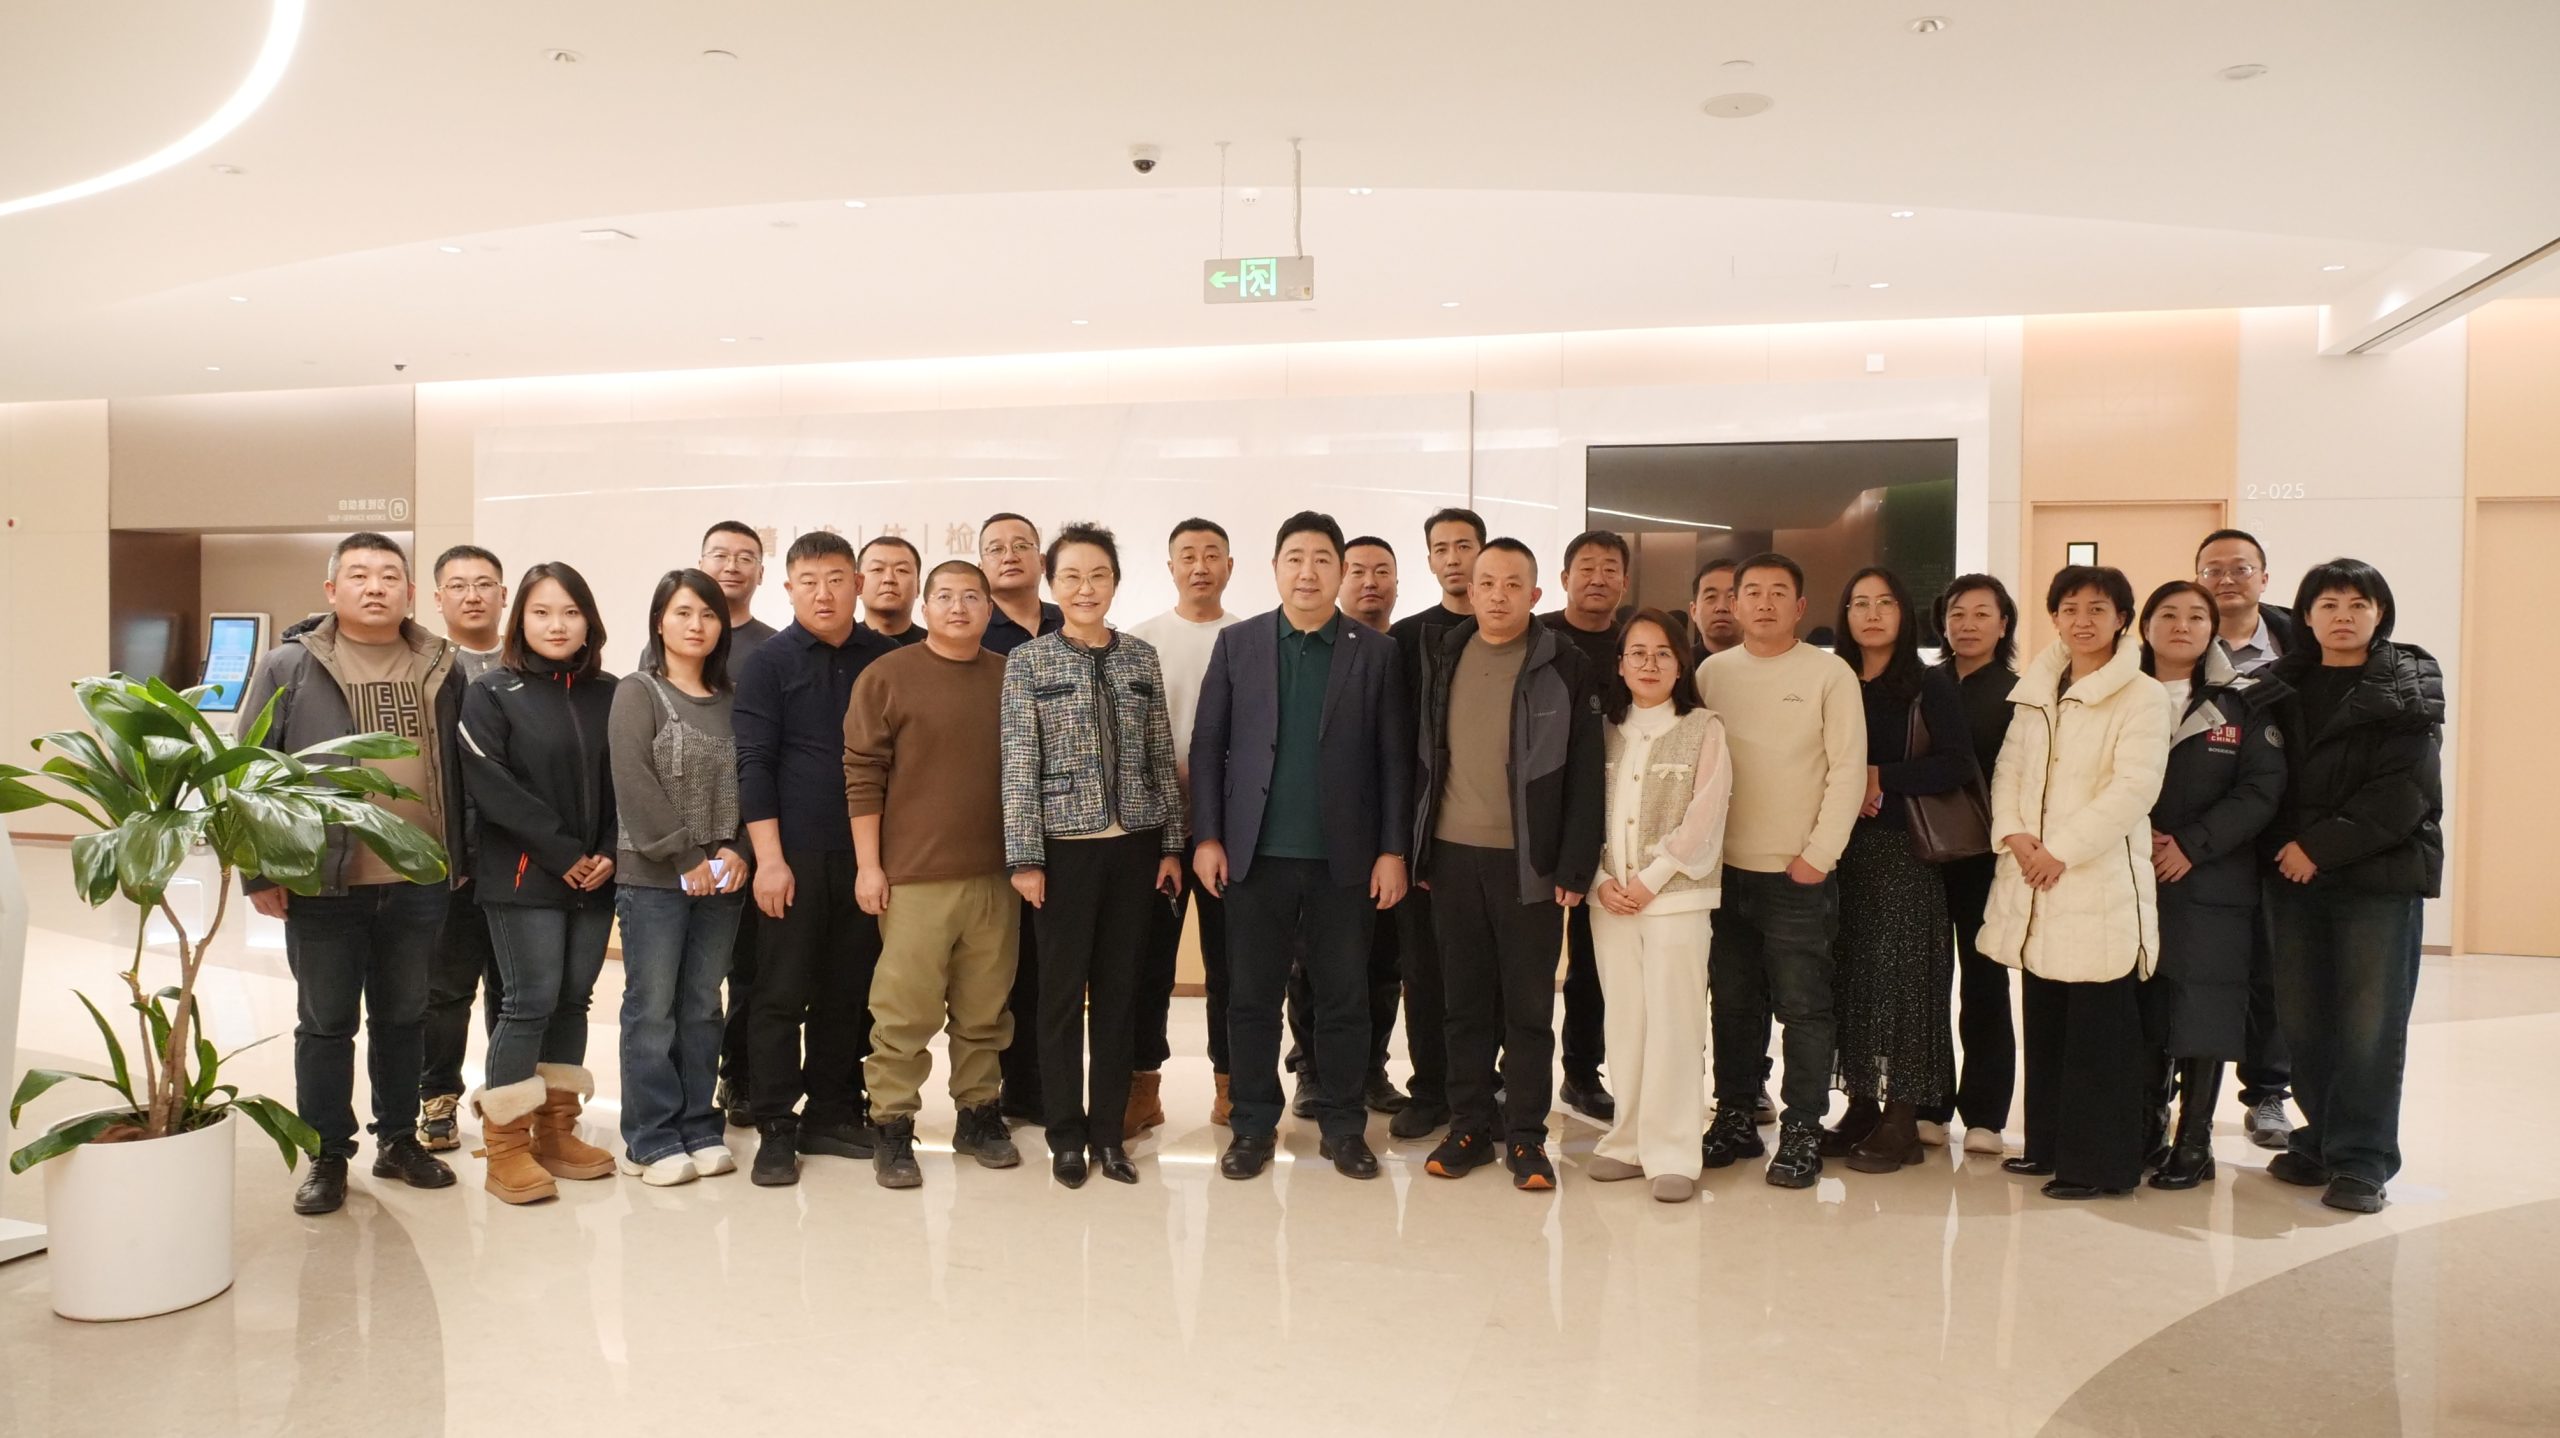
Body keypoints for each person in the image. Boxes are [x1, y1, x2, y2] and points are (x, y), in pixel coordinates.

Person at [236, 532, 468, 1216]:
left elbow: (461, 769)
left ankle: (398, 1140)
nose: (375, 587)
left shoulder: (440, 664)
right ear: (331, 590)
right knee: (326, 1024)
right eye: (360, 574)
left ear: (410, 592)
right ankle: (328, 1155)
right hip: (322, 880)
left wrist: (459, 858)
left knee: (404, 1017)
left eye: (389, 575)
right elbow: (251, 770)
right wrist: (259, 872)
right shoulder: (290, 666)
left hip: (419, 879)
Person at [1194, 512, 1412, 1182]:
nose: (1308, 572)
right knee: (1252, 999)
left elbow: (1395, 759)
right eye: (1295, 558)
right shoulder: (1238, 644)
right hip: (1254, 857)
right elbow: (1208, 747)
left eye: (1322, 559)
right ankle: (1252, 1125)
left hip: (1344, 861)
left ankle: (1344, 1127)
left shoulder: (1375, 653)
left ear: (1340, 571)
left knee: (1344, 998)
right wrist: (1207, 836)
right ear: (1275, 568)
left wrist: (1392, 850)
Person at [1412, 538, 1604, 1192]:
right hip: (1451, 858)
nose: (1498, 595)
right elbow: (1424, 756)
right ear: (1470, 590)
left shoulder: (1564, 664)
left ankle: (1526, 1136)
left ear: (1536, 595)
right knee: (1463, 1004)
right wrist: (1419, 849)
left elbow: (1586, 774)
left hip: (1531, 866)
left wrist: (1574, 865)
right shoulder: (1445, 654)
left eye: (1512, 584)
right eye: (1487, 583)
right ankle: (1468, 1125)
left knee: (1527, 1010)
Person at [999, 523, 1186, 1187]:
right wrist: (1025, 857)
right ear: (1054, 585)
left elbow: (1160, 755)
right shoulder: (1029, 662)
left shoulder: (1140, 658)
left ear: (1115, 582)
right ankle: (1065, 1136)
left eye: (1098, 575)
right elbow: (1018, 763)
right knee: (1057, 998)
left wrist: (1171, 845)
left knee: (1119, 994)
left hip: (1135, 848)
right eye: (1072, 576)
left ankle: (1109, 1134)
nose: (1085, 588)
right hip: (1062, 852)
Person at [1983, 565, 2171, 1201]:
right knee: (2047, 1021)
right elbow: (2008, 769)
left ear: (2122, 619)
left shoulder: (2142, 694)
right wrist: (2015, 835)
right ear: (2054, 618)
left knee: (2099, 1032)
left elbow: (2134, 789)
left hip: (2095, 882)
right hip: (2035, 877)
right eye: (2069, 608)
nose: (2082, 620)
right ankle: (2046, 1146)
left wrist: (2059, 851)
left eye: (2097, 608)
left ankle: (2099, 1166)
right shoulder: (2038, 688)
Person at [2261, 560, 2442, 1215]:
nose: (2343, 615)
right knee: (2304, 1019)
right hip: (2291, 876)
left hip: (2377, 879)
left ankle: (2363, 1160)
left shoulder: (2407, 680)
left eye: (2358, 604)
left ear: (2379, 613)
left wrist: (2318, 847)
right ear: (2306, 616)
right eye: (2329, 604)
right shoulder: (2279, 684)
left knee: (2369, 1024)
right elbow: (2262, 777)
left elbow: (2406, 790)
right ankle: (2322, 1139)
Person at [846, 561, 1024, 1188]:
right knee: (903, 1013)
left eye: (971, 597)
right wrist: (869, 866)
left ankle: (979, 1115)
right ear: (925, 608)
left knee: (986, 1010)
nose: (958, 607)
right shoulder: (887, 676)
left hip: (996, 876)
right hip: (913, 879)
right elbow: (862, 774)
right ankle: (892, 1124)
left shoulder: (1011, 675)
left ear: (988, 610)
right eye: (944, 596)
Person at [1694, 554, 1865, 1189]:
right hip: (1722, 873)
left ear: (1800, 607)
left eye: (1778, 593)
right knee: (1733, 1004)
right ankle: (1735, 1114)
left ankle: (1802, 1128)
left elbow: (1848, 770)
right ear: (1734, 604)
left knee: (1803, 1007)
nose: (1764, 603)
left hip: (1798, 874)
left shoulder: (1829, 673)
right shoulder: (1712, 673)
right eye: (1752, 593)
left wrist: (1818, 856)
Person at [458, 562, 623, 1206]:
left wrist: (607, 850)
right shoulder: (492, 692)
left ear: (589, 621)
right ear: (520, 620)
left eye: (570, 612)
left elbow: (629, 779)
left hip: (596, 876)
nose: (557, 625)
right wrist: (563, 852)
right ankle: (506, 1147)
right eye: (542, 612)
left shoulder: (611, 693)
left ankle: (557, 1133)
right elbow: (492, 786)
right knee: (528, 1001)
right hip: (524, 875)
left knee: (574, 1001)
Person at [735, 531, 892, 1186]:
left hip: (867, 855)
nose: (823, 594)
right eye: (808, 581)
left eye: (835, 579)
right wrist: (769, 861)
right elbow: (754, 763)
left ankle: (832, 1110)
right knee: (780, 990)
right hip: (792, 855)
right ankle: (775, 1123)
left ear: (857, 584)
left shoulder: (886, 658)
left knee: (849, 989)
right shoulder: (767, 663)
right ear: (788, 588)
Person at [2136, 580, 2287, 1191]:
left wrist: (2190, 846)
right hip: (2132, 873)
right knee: (2143, 1006)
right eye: (2167, 614)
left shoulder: (2243, 700)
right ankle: (2146, 1125)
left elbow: (2261, 790)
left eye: (2196, 616)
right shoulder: (2120, 692)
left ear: (2212, 630)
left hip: (2213, 879)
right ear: (2145, 626)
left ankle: (2194, 1141)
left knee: (2205, 1005)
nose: (2181, 626)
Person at [1824, 567, 1972, 1173]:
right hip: (1839, 851)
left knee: (1905, 984)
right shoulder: (1832, 678)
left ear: (1904, 615)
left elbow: (1957, 764)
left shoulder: (1928, 683)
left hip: (1904, 853)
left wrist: (1880, 777)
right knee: (1851, 979)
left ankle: (1903, 1118)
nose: (1872, 613)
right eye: (1859, 602)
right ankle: (1861, 1105)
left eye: (1885, 602)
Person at [607, 569, 751, 1187]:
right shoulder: (638, 691)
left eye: (709, 615)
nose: (697, 625)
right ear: (659, 621)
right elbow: (633, 781)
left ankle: (699, 1125)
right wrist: (684, 855)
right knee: (652, 1010)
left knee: (702, 1006)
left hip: (723, 880)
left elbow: (755, 777)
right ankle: (650, 1137)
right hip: (654, 880)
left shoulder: (736, 699)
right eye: (684, 612)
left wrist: (740, 848)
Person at [1586, 611, 1731, 1203]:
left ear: (1681, 664)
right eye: (1638, 653)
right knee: (1625, 1021)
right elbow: (1581, 812)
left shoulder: (1703, 727)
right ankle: (1627, 1141)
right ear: (1620, 665)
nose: (1649, 664)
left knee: (1674, 1023)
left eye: (1663, 653)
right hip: (1609, 900)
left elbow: (1706, 814)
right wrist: (1600, 879)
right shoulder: (1603, 731)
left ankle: (1673, 1151)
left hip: (1675, 900)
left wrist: (1650, 879)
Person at [1128, 519, 1242, 1130]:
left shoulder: (1250, 639)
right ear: (1169, 567)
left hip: (1233, 832)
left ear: (1231, 566)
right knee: (1149, 966)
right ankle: (1142, 1088)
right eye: (1188, 556)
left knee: (1232, 967)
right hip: (1155, 834)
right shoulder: (1139, 641)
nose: (1200, 566)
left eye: (1212, 555)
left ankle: (1232, 1086)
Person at [1383, 507, 1486, 1141]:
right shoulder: (1406, 637)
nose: (1453, 558)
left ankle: (1482, 1087)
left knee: (1486, 972)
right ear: (1428, 560)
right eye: (1441, 548)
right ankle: (1429, 1089)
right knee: (1423, 970)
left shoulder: (1513, 634)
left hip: (1491, 836)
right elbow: (1394, 745)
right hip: (1425, 836)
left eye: (1464, 545)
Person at [2196, 527, 2298, 1151]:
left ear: (2264, 577)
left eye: (2240, 568)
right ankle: (2178, 1094)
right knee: (2195, 964)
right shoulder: (2178, 639)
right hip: (2195, 833)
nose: (2227, 579)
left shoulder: (2300, 645)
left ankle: (2266, 1092)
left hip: (2279, 832)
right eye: (2213, 570)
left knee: (2270, 968)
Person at [1917, 575, 2023, 1154]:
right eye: (1957, 613)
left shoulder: (2019, 693)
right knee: (1927, 978)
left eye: (1983, 614)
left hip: (1987, 855)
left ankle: (1985, 1113)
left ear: (2003, 625)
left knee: (1984, 980)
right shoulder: (1923, 684)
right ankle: (1929, 1105)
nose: (1968, 624)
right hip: (1923, 848)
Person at [1305, 534, 1410, 1114]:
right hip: (1321, 844)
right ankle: (1310, 1071)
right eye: (1359, 571)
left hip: (1383, 840)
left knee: (1382, 964)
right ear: (1341, 579)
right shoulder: (1316, 646)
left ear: (1398, 581)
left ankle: (1370, 1070)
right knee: (1310, 967)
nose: (1371, 582)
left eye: (1382, 571)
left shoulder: (1403, 646)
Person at [416, 544, 508, 1153]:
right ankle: (437, 1100)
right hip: (448, 860)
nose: (472, 595)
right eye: (458, 585)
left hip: (517, 859)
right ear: (437, 598)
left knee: (515, 992)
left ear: (503, 593)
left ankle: (508, 1103)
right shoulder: (422, 668)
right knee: (446, 991)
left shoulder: (527, 660)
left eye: (484, 583)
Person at [1541, 530, 1632, 1123]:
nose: (1598, 578)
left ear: (1625, 580)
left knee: (1594, 960)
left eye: (1610, 568)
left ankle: (1581, 1072)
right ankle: (1511, 1072)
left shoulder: (1636, 642)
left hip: (1618, 819)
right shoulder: (1539, 638)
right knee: (1527, 956)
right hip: (1542, 818)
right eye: (1587, 567)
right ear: (1565, 577)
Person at [979, 511, 1064, 1124]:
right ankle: (1006, 1088)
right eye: (995, 548)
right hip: (995, 821)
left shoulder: (1073, 624)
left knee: (1052, 964)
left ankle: (1046, 1088)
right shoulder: (973, 630)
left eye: (1022, 545)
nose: (1009, 555)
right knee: (1002, 967)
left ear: (1042, 559)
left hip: (1068, 822)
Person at [700, 519, 775, 1125]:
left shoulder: (772, 649)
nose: (732, 566)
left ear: (761, 571)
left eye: (745, 557)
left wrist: (748, 845)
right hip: (687, 840)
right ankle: (688, 1085)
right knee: (690, 978)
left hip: (752, 836)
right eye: (720, 555)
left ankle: (739, 1075)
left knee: (750, 971)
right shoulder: (666, 645)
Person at [859, 534, 925, 646]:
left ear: (918, 586)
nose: (889, 579)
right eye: (877, 569)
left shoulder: (936, 647)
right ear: (858, 584)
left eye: (901, 570)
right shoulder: (840, 645)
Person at [1688, 558, 1743, 658]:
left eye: (1732, 597)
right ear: (1694, 611)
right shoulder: (1678, 664)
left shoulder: (1770, 664)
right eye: (1711, 597)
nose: (1721, 607)